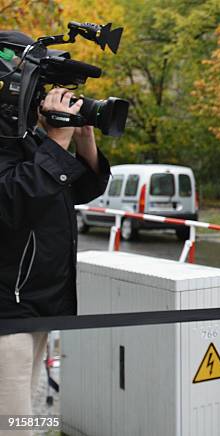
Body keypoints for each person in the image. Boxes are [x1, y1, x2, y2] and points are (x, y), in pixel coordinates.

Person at [0, 31, 111, 431]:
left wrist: (82, 138)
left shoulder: (27, 136)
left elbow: (80, 188)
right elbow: (12, 202)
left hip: (35, 305)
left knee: (22, 416)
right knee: (10, 425)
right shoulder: (10, 139)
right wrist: (56, 138)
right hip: (7, 312)